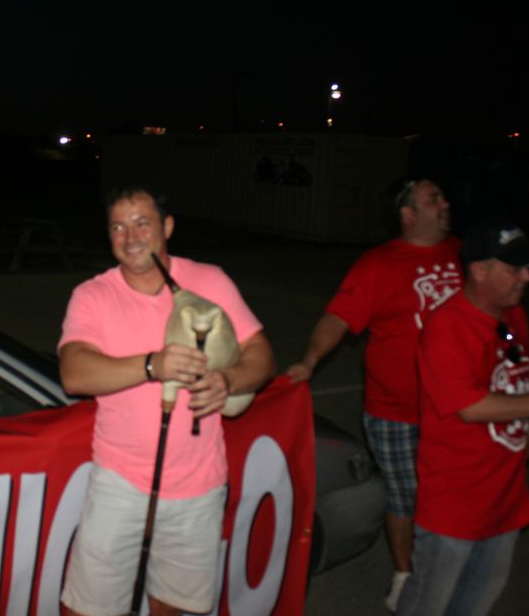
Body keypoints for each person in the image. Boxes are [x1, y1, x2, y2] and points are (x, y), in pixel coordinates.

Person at [58, 186, 275, 616]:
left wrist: (229, 380)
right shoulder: (92, 295)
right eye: (118, 227)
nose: (130, 237)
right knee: (86, 609)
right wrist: (152, 365)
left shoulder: (210, 281)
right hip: (119, 482)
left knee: (174, 607)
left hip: (199, 484)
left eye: (142, 223)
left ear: (168, 227)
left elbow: (262, 354)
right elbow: (74, 374)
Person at [396, 218, 529, 616]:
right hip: (455, 505)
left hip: (505, 497)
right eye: (515, 268)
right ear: (479, 270)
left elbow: (517, 386)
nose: (528, 276)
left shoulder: (513, 316)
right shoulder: (447, 326)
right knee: (428, 605)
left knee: (474, 606)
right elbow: (471, 406)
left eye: (528, 266)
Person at [286, 178, 461, 611]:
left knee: (448, 494)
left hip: (457, 407)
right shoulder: (379, 264)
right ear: (409, 214)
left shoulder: (463, 253)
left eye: (443, 196)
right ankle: (405, 575)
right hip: (395, 410)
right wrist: (309, 361)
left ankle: (444, 568)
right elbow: (338, 318)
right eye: (433, 199)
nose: (445, 204)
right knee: (404, 496)